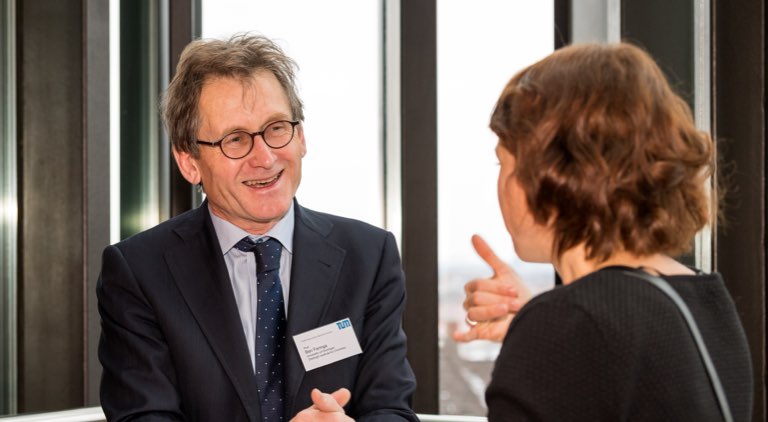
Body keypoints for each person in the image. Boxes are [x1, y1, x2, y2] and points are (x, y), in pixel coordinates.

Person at [97, 33, 417, 422]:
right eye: (235, 139)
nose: (264, 157)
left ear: (301, 137)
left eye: (276, 128)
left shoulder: (369, 256)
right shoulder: (139, 271)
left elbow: (391, 410)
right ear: (189, 162)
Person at [454, 42, 753, 421]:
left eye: (503, 161)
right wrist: (542, 320)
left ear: (549, 172)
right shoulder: (705, 302)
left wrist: (550, 328)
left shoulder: (569, 325)